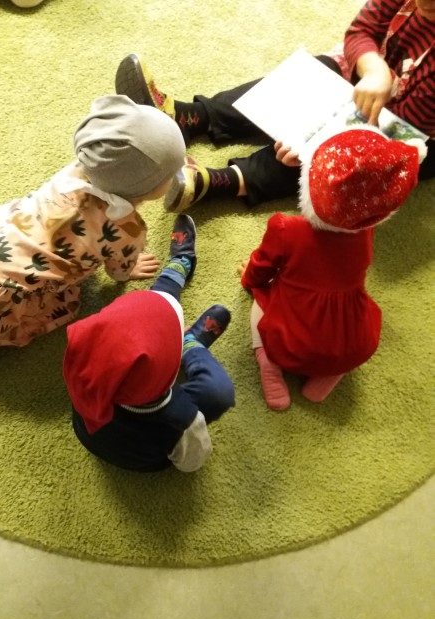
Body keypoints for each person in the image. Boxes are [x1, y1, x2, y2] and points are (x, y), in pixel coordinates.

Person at [0, 95, 186, 373]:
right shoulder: (128, 230)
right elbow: (118, 272)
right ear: (145, 188)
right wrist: (128, 267)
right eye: (171, 174)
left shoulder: (78, 169)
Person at [115, 0, 434, 213]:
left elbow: (391, 133)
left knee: (327, 162)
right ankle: (188, 117)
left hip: (409, 133)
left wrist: (313, 142)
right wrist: (374, 69)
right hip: (372, 79)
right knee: (306, 75)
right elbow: (361, 31)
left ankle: (219, 181)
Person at [238, 126, 420, 410]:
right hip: (349, 346)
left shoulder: (286, 228)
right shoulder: (365, 231)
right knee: (353, 341)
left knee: (260, 301)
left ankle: (268, 364)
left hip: (292, 341)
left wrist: (249, 280)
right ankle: (328, 376)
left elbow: (262, 265)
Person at [63, 214, 235, 472]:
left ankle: (180, 264)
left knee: (148, 313)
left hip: (89, 433)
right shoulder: (182, 420)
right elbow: (191, 463)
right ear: (170, 375)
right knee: (219, 392)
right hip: (147, 459)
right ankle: (191, 345)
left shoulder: (79, 364)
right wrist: (179, 342)